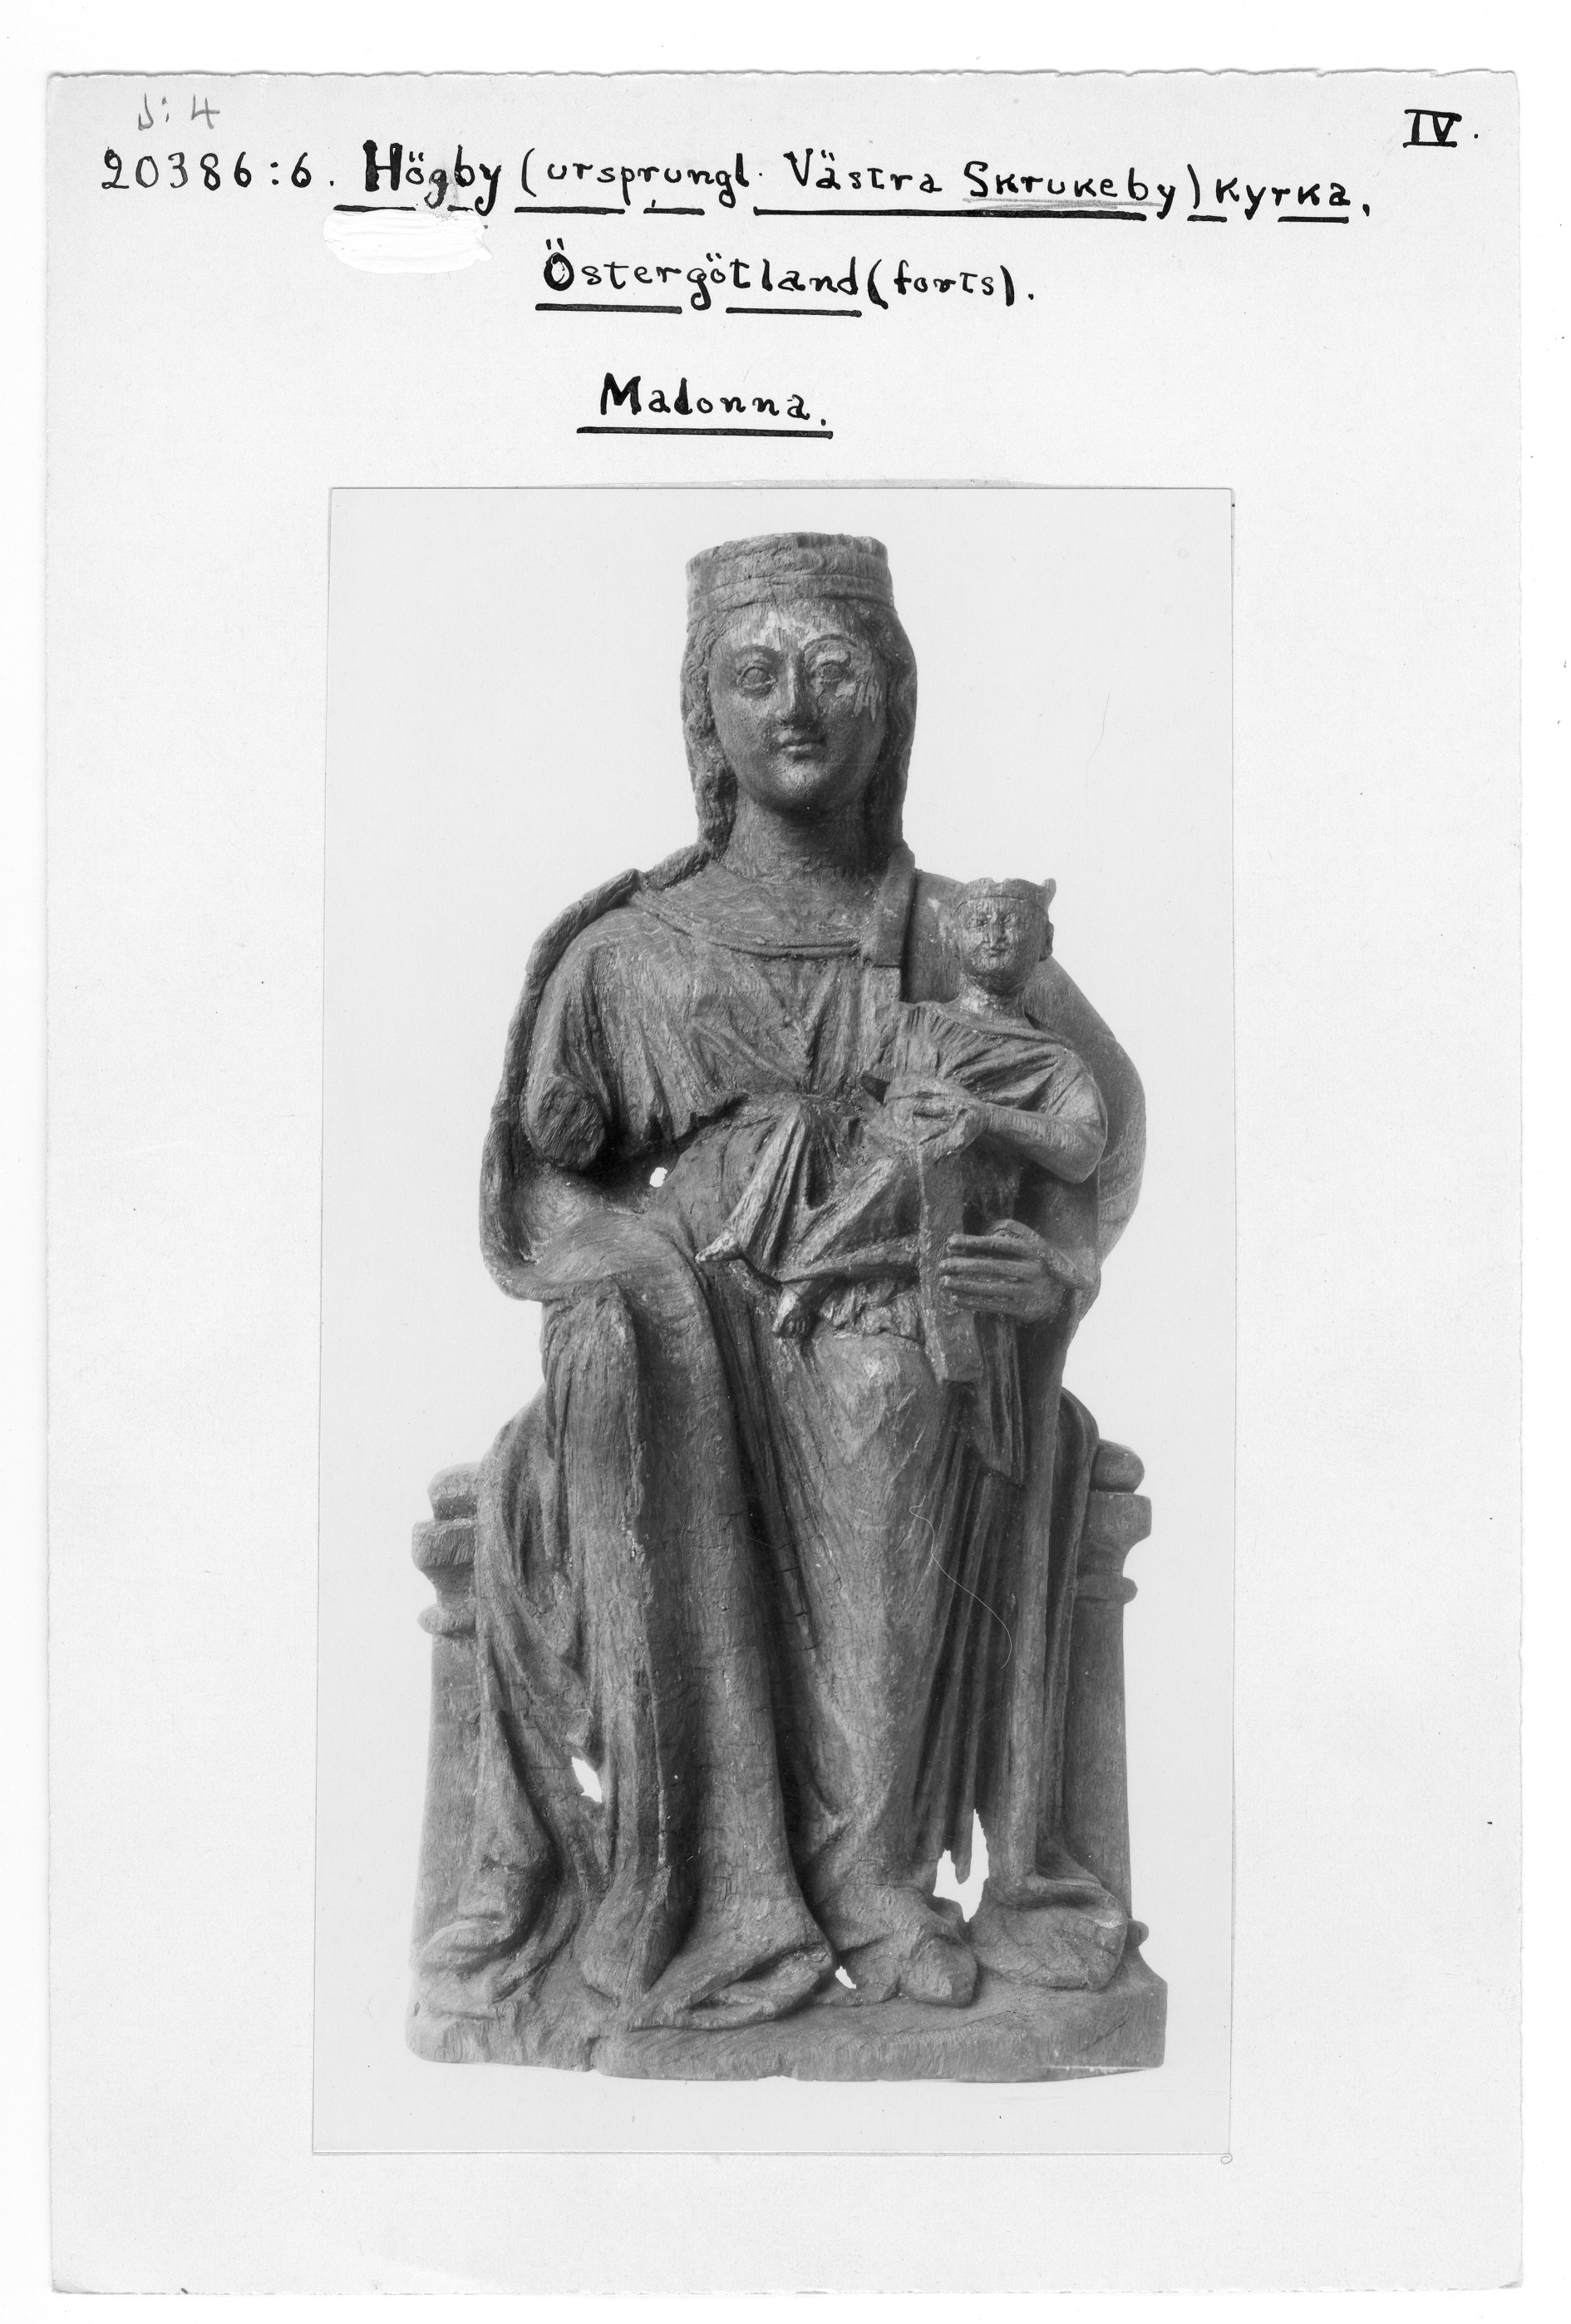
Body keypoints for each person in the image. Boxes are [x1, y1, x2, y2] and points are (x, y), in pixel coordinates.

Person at [410, 532, 1148, 2066]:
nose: (793, 709)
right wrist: (627, 1280)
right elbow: (545, 1182)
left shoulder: (956, 930)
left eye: (831, 674)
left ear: (892, 704)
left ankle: (871, 1884)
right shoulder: (622, 950)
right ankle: (707, 1889)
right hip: (677, 1325)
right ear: (704, 712)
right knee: (623, 1393)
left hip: (874, 1300)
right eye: (754, 676)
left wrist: (1053, 1266)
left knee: (889, 1404)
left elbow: (1096, 1118)